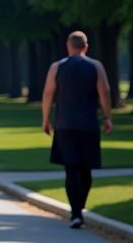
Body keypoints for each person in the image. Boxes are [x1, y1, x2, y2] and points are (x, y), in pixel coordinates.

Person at [41, 31, 113, 229]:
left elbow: (48, 93)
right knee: (86, 169)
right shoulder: (96, 66)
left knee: (71, 169)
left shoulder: (57, 67)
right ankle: (79, 208)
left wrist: (46, 118)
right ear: (86, 46)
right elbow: (104, 92)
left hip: (65, 125)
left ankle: (76, 212)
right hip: (89, 124)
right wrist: (108, 117)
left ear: (68, 46)